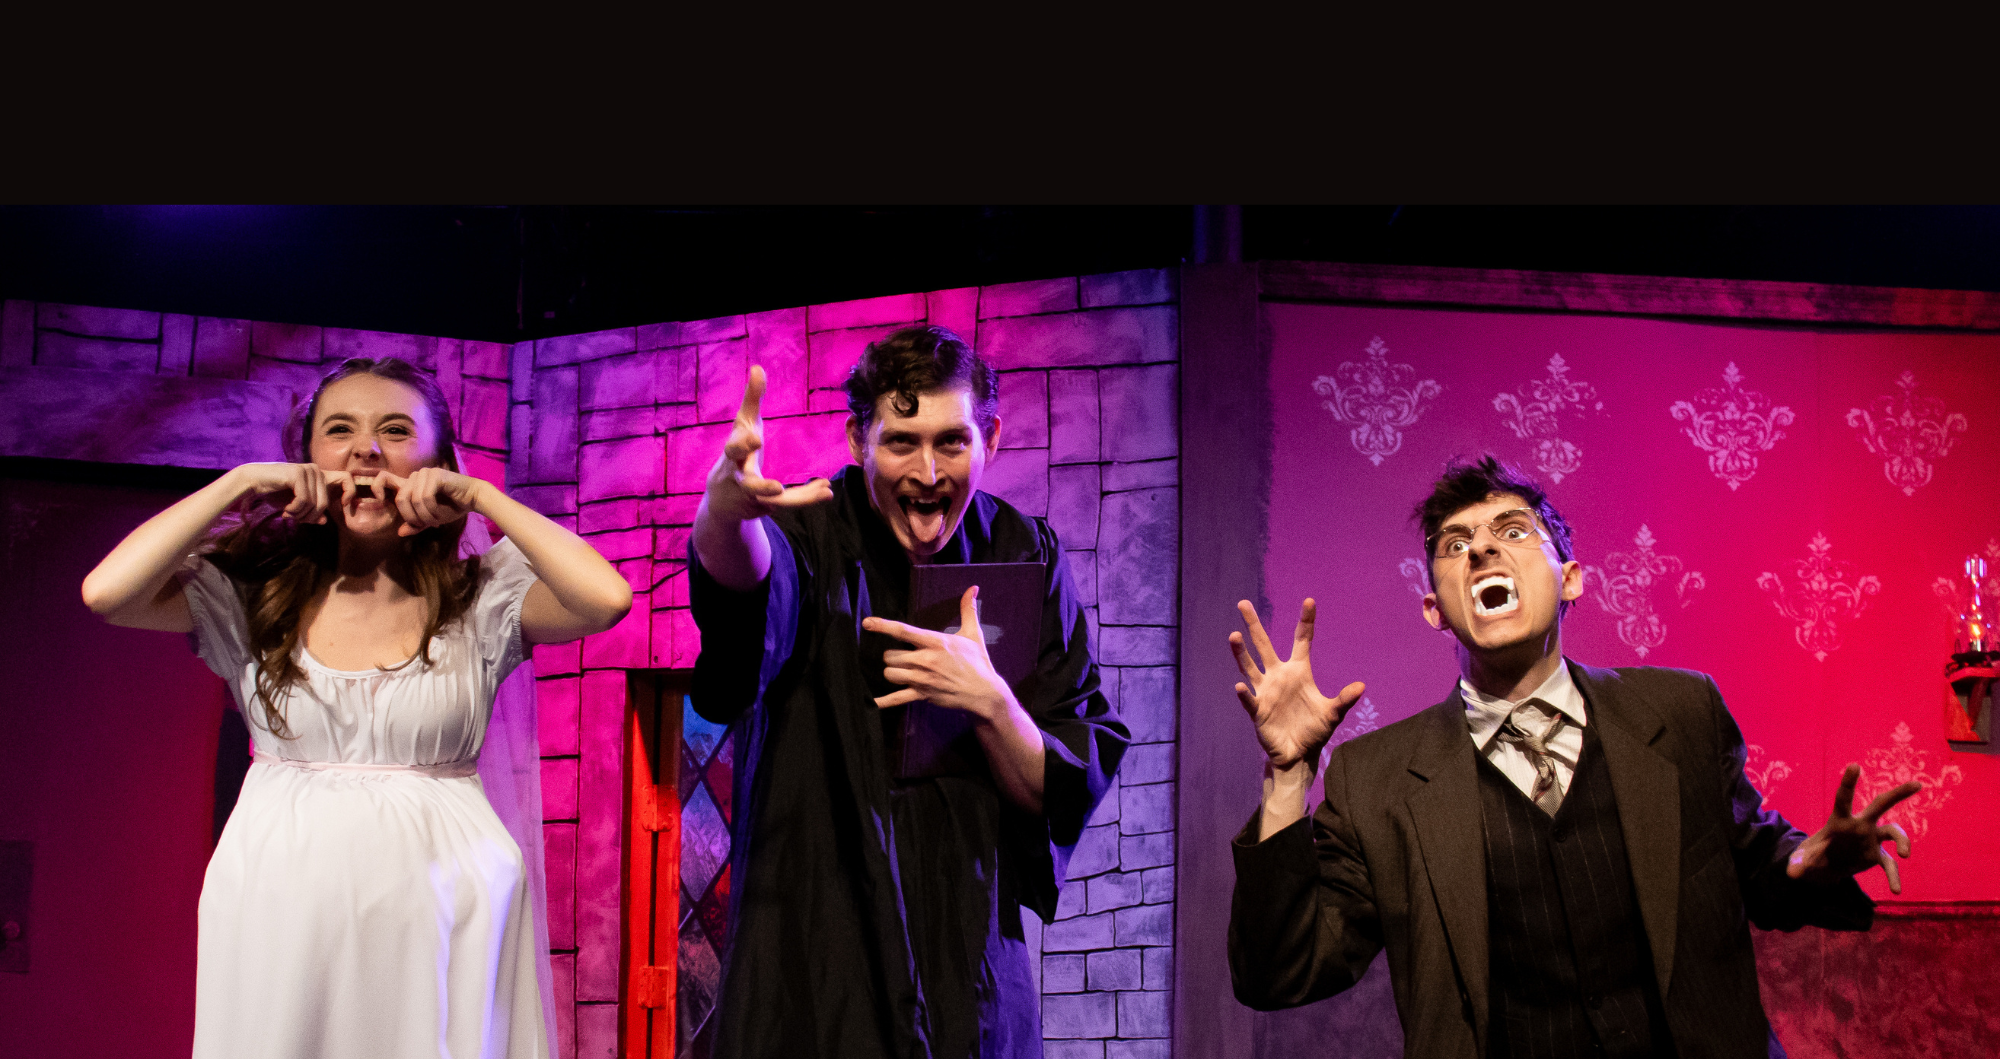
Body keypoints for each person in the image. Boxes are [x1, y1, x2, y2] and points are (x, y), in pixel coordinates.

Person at [1226, 455, 1921, 1059]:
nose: (1482, 550)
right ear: (1434, 609)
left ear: (1572, 579)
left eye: (1512, 531)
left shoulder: (1681, 713)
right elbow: (1280, 971)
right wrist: (1287, 776)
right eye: (1455, 544)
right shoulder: (1375, 779)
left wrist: (1806, 864)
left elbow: (1760, 861)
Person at [81, 358, 632, 1059]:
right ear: (307, 458)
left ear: (437, 463)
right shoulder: (254, 595)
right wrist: (238, 482)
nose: (366, 450)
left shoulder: (480, 598)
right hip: (282, 900)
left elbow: (606, 599)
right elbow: (107, 593)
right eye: (339, 430)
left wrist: (482, 497)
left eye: (396, 431)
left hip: (443, 907)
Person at [689, 325, 1129, 1059]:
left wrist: (992, 702)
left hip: (972, 970)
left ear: (990, 437)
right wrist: (723, 516)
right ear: (857, 439)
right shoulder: (809, 531)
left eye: (952, 441)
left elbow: (1059, 781)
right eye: (901, 441)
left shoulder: (1024, 553)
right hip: (816, 962)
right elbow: (749, 595)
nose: (928, 471)